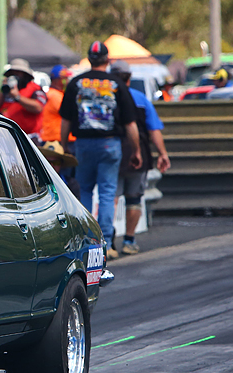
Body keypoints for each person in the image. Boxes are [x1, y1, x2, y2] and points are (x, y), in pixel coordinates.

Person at [59, 41, 142, 260]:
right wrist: (136, 151)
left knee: (85, 190)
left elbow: (65, 120)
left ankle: (87, 241)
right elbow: (130, 124)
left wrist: (64, 145)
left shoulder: (76, 83)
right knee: (107, 192)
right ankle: (105, 243)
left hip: (83, 143)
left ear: (89, 59)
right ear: (107, 60)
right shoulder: (117, 84)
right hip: (110, 143)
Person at [109, 60, 171, 256]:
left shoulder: (106, 98)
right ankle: (129, 240)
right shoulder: (140, 99)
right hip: (138, 155)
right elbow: (154, 129)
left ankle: (108, 243)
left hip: (111, 154)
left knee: (110, 198)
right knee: (134, 198)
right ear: (129, 78)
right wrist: (162, 154)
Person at [0, 58, 47, 135]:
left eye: (18, 72)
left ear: (25, 75)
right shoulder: (8, 89)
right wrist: (4, 89)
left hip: (28, 136)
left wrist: (17, 97)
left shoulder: (35, 89)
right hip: (7, 134)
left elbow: (38, 107)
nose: (15, 75)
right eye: (12, 73)